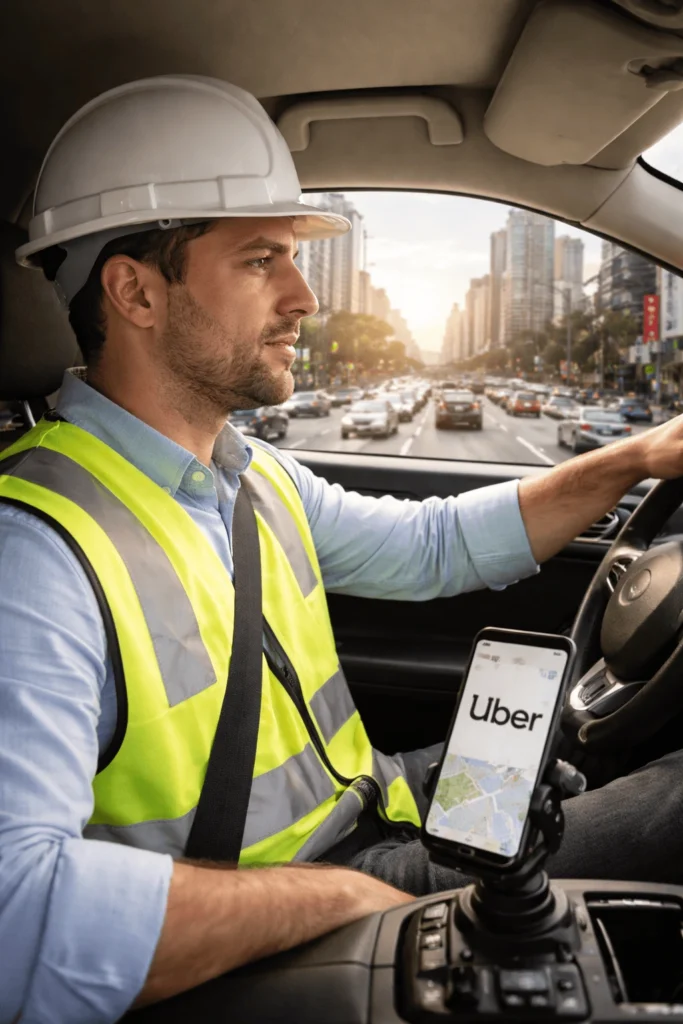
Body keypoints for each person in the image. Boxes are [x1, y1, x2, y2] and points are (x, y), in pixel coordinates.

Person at [3, 76, 683, 1024]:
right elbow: (15, 920)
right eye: (259, 262)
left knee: (569, 758)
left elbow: (434, 544)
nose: (305, 296)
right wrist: (353, 901)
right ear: (134, 292)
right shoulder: (31, 553)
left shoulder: (254, 478)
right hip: (287, 928)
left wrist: (641, 455)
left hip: (381, 820)